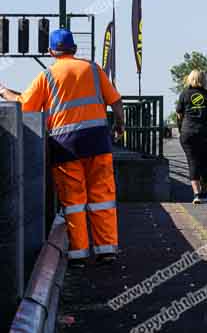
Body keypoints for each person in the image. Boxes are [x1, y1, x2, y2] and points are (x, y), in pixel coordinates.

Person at [0, 29, 124, 268]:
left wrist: (5, 92)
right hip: (98, 141)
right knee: (103, 196)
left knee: (74, 200)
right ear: (75, 49)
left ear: (50, 52)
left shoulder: (47, 76)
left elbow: (25, 106)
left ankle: (78, 253)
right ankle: (106, 249)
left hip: (65, 146)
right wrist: (120, 126)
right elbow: (116, 102)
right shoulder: (93, 70)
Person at [175, 70, 207, 204]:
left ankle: (196, 194)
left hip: (188, 133)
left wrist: (182, 127)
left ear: (190, 79)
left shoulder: (184, 94)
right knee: (205, 162)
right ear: (204, 80)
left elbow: (179, 113)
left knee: (192, 162)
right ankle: (204, 191)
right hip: (206, 133)